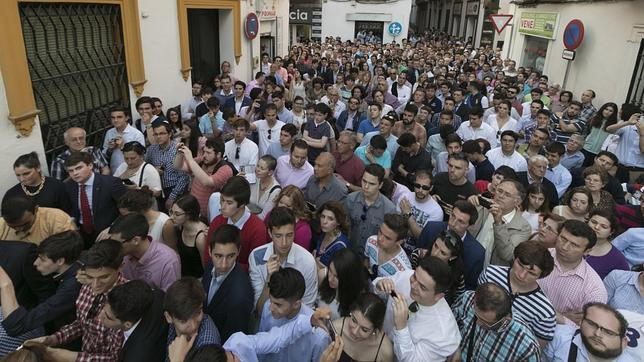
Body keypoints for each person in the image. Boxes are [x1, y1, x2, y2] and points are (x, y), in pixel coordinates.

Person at [27, 239, 128, 361]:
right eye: (90, 277)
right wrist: (54, 339)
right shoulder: (86, 285)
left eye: (104, 277)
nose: (95, 285)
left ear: (120, 267)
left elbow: (116, 357)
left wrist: (72, 357)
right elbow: (82, 324)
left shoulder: (126, 301)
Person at [374, 255, 461, 361]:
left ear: (438, 296)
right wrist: (379, 285)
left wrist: (401, 328)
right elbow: (378, 289)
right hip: (375, 343)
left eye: (422, 287)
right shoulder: (407, 275)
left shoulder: (443, 334)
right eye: (414, 276)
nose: (413, 285)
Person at [0, 231, 82, 339]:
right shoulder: (73, 270)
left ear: (60, 261)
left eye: (42, 259)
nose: (35, 263)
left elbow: (17, 327)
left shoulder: (71, 287)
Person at [478, 241, 556, 345]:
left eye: (531, 273)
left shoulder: (545, 313)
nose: (522, 275)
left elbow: (533, 350)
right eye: (520, 265)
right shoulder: (490, 274)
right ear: (514, 258)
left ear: (541, 276)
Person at [538, 220, 608, 326]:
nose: (565, 247)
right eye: (563, 238)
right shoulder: (539, 256)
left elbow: (587, 329)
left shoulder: (594, 290)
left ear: (587, 251)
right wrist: (559, 316)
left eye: (574, 245)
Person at [249, 207, 318, 312]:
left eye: (289, 235)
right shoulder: (256, 256)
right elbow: (259, 310)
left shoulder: (307, 261)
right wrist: (269, 280)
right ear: (270, 233)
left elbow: (307, 308)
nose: (284, 242)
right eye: (278, 236)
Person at [255, 267, 330, 361]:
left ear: (296, 304)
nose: (270, 308)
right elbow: (260, 347)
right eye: (271, 301)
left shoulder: (319, 335)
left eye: (278, 305)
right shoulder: (267, 307)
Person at [452, 283, 541, 361]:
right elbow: (449, 326)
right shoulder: (467, 299)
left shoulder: (527, 348)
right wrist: (455, 347)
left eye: (485, 322)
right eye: (476, 315)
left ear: (506, 319)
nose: (478, 322)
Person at [202, 224, 254, 342]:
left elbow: (231, 341)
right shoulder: (210, 265)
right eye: (218, 256)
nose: (223, 264)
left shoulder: (240, 297)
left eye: (230, 256)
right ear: (209, 251)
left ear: (238, 251)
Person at [418, 200, 484, 290]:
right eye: (453, 216)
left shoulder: (476, 253)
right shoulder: (431, 229)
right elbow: (418, 256)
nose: (452, 223)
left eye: (460, 221)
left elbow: (469, 287)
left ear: (470, 226)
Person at [64, 151, 126, 246]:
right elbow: (71, 208)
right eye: (71, 171)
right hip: (81, 233)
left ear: (90, 166)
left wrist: (113, 227)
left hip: (107, 233)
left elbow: (128, 210)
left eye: (78, 168)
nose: (75, 173)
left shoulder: (111, 183)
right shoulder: (69, 186)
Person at [205, 176, 268, 270]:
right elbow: (207, 256)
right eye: (222, 200)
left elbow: (256, 267)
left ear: (242, 204)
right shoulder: (217, 221)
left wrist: (225, 267)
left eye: (229, 203)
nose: (222, 206)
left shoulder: (258, 229)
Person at [108, 213, 181, 292]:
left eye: (117, 244)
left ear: (136, 240)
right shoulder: (121, 255)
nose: (113, 247)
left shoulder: (168, 261)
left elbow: (170, 298)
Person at [99, 280, 168, 362]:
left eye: (107, 317)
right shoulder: (157, 295)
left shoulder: (136, 356)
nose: (100, 316)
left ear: (127, 324)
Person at [469, 179, 533, 266]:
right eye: (499, 191)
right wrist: (468, 206)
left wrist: (499, 223)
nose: (501, 196)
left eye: (507, 195)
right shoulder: (481, 205)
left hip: (491, 274)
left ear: (517, 202)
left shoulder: (523, 227)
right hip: (467, 261)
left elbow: (507, 255)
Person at [544, 302, 634, 362]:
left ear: (623, 342)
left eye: (608, 332)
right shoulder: (559, 336)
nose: (597, 334)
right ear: (581, 322)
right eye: (592, 324)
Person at [175, 137, 235, 217]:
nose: (204, 155)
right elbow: (178, 166)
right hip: (192, 211)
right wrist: (179, 153)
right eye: (204, 151)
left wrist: (190, 159)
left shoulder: (225, 169)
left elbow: (207, 182)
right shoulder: (202, 161)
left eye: (208, 153)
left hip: (210, 216)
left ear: (218, 155)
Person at [344, 164, 397, 253]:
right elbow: (344, 227)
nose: (366, 186)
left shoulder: (389, 209)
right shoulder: (351, 199)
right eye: (364, 181)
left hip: (372, 257)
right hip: (350, 251)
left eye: (372, 184)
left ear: (380, 185)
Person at [164, 277, 220, 359]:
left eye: (198, 313)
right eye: (184, 321)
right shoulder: (174, 311)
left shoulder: (208, 344)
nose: (194, 326)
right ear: (168, 317)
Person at [331, 292, 394, 362]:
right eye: (354, 320)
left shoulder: (384, 350)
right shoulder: (336, 329)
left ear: (375, 330)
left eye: (364, 329)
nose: (354, 332)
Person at [5, 152, 72, 213]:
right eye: (18, 175)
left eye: (26, 173)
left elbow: (68, 213)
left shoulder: (57, 186)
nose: (22, 179)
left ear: (38, 168)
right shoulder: (11, 194)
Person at [146, 122, 190, 211]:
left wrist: (172, 197)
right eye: (156, 134)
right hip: (158, 189)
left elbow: (184, 177)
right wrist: (154, 170)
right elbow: (146, 168)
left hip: (175, 189)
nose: (158, 137)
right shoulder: (151, 150)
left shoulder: (178, 149)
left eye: (162, 133)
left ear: (169, 134)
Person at [316, 249, 370, 320]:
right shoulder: (322, 275)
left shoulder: (358, 298)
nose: (330, 279)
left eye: (337, 277)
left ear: (349, 278)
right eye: (330, 270)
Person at [0, 195, 75, 245]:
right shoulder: (1, 224)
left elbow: (68, 249)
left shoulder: (56, 219)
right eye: (13, 226)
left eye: (25, 224)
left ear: (36, 210)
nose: (20, 229)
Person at [399, 170, 444, 240]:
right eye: (417, 186)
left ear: (431, 188)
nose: (420, 190)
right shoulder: (405, 197)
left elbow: (423, 237)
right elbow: (395, 225)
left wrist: (408, 215)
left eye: (425, 188)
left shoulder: (437, 211)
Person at [170, 195, 208, 278]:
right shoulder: (180, 226)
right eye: (171, 212)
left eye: (177, 214)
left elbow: (206, 267)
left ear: (189, 215)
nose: (172, 217)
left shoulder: (200, 237)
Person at [364, 213, 412, 279]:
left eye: (387, 238)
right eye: (380, 232)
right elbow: (366, 262)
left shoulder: (403, 270)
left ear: (399, 242)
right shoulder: (371, 241)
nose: (380, 238)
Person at [585, 209, 630, 279]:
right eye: (593, 222)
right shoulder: (572, 239)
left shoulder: (617, 259)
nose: (596, 227)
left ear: (611, 232)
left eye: (603, 226)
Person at [102, 105, 146, 173]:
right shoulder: (109, 133)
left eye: (119, 117)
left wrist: (123, 147)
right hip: (114, 172)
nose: (115, 120)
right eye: (113, 117)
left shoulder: (137, 134)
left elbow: (142, 156)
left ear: (127, 117)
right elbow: (104, 155)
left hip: (133, 172)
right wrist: (110, 149)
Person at [270, 186, 313, 250]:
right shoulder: (270, 215)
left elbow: (299, 254)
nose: (282, 207)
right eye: (281, 202)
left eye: (288, 206)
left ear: (296, 208)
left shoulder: (303, 230)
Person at [607, 112, 644, 182]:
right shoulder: (629, 127)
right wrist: (627, 122)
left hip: (636, 170)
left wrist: (642, 133)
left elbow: (643, 150)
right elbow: (608, 129)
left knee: (630, 191)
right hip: (618, 167)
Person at [313, 201, 351, 270]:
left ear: (338, 222)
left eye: (330, 219)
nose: (324, 222)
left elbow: (338, 274)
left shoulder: (341, 246)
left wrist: (318, 264)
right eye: (323, 216)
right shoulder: (324, 232)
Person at [224, 118, 259, 184]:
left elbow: (252, 167)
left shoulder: (253, 146)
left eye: (241, 130)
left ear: (246, 132)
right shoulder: (226, 145)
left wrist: (238, 174)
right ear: (233, 130)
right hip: (230, 179)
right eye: (236, 129)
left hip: (247, 179)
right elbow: (224, 163)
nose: (238, 133)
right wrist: (234, 174)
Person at [249, 154, 282, 219]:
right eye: (258, 166)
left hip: (260, 223)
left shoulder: (276, 190)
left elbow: (264, 216)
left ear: (270, 172)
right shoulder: (253, 179)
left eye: (262, 168)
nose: (257, 170)